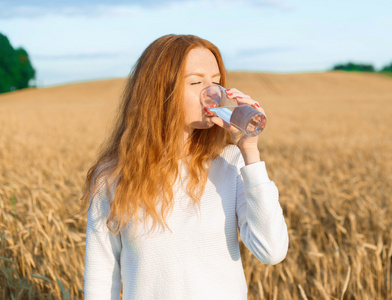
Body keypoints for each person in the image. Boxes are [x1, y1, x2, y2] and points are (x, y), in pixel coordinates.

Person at [81, 34, 289, 300]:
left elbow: (272, 251)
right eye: (195, 82)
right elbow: (100, 282)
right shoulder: (112, 176)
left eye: (216, 81)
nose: (213, 93)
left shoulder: (230, 161)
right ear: (159, 91)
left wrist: (249, 151)